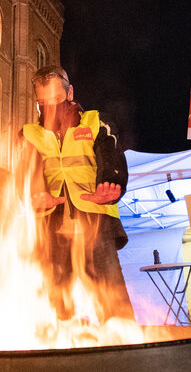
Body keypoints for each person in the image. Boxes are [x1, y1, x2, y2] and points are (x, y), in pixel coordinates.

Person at [19, 65, 135, 323]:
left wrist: (110, 182)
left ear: (69, 93)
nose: (50, 107)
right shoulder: (30, 133)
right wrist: (35, 193)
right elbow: (25, 171)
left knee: (112, 301)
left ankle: (124, 351)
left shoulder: (96, 121)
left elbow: (111, 152)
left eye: (56, 99)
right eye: (42, 102)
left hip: (97, 227)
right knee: (59, 305)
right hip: (53, 231)